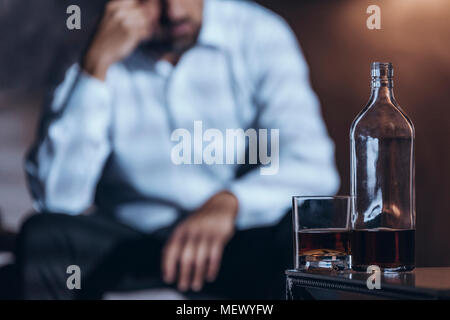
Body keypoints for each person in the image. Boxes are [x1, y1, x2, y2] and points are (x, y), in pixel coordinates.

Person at [17, 0, 339, 299]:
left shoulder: (260, 33)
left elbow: (313, 165)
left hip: (239, 240)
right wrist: (95, 68)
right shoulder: (92, 47)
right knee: (43, 239)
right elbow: (58, 201)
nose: (173, 12)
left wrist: (231, 203)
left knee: (314, 238)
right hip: (134, 244)